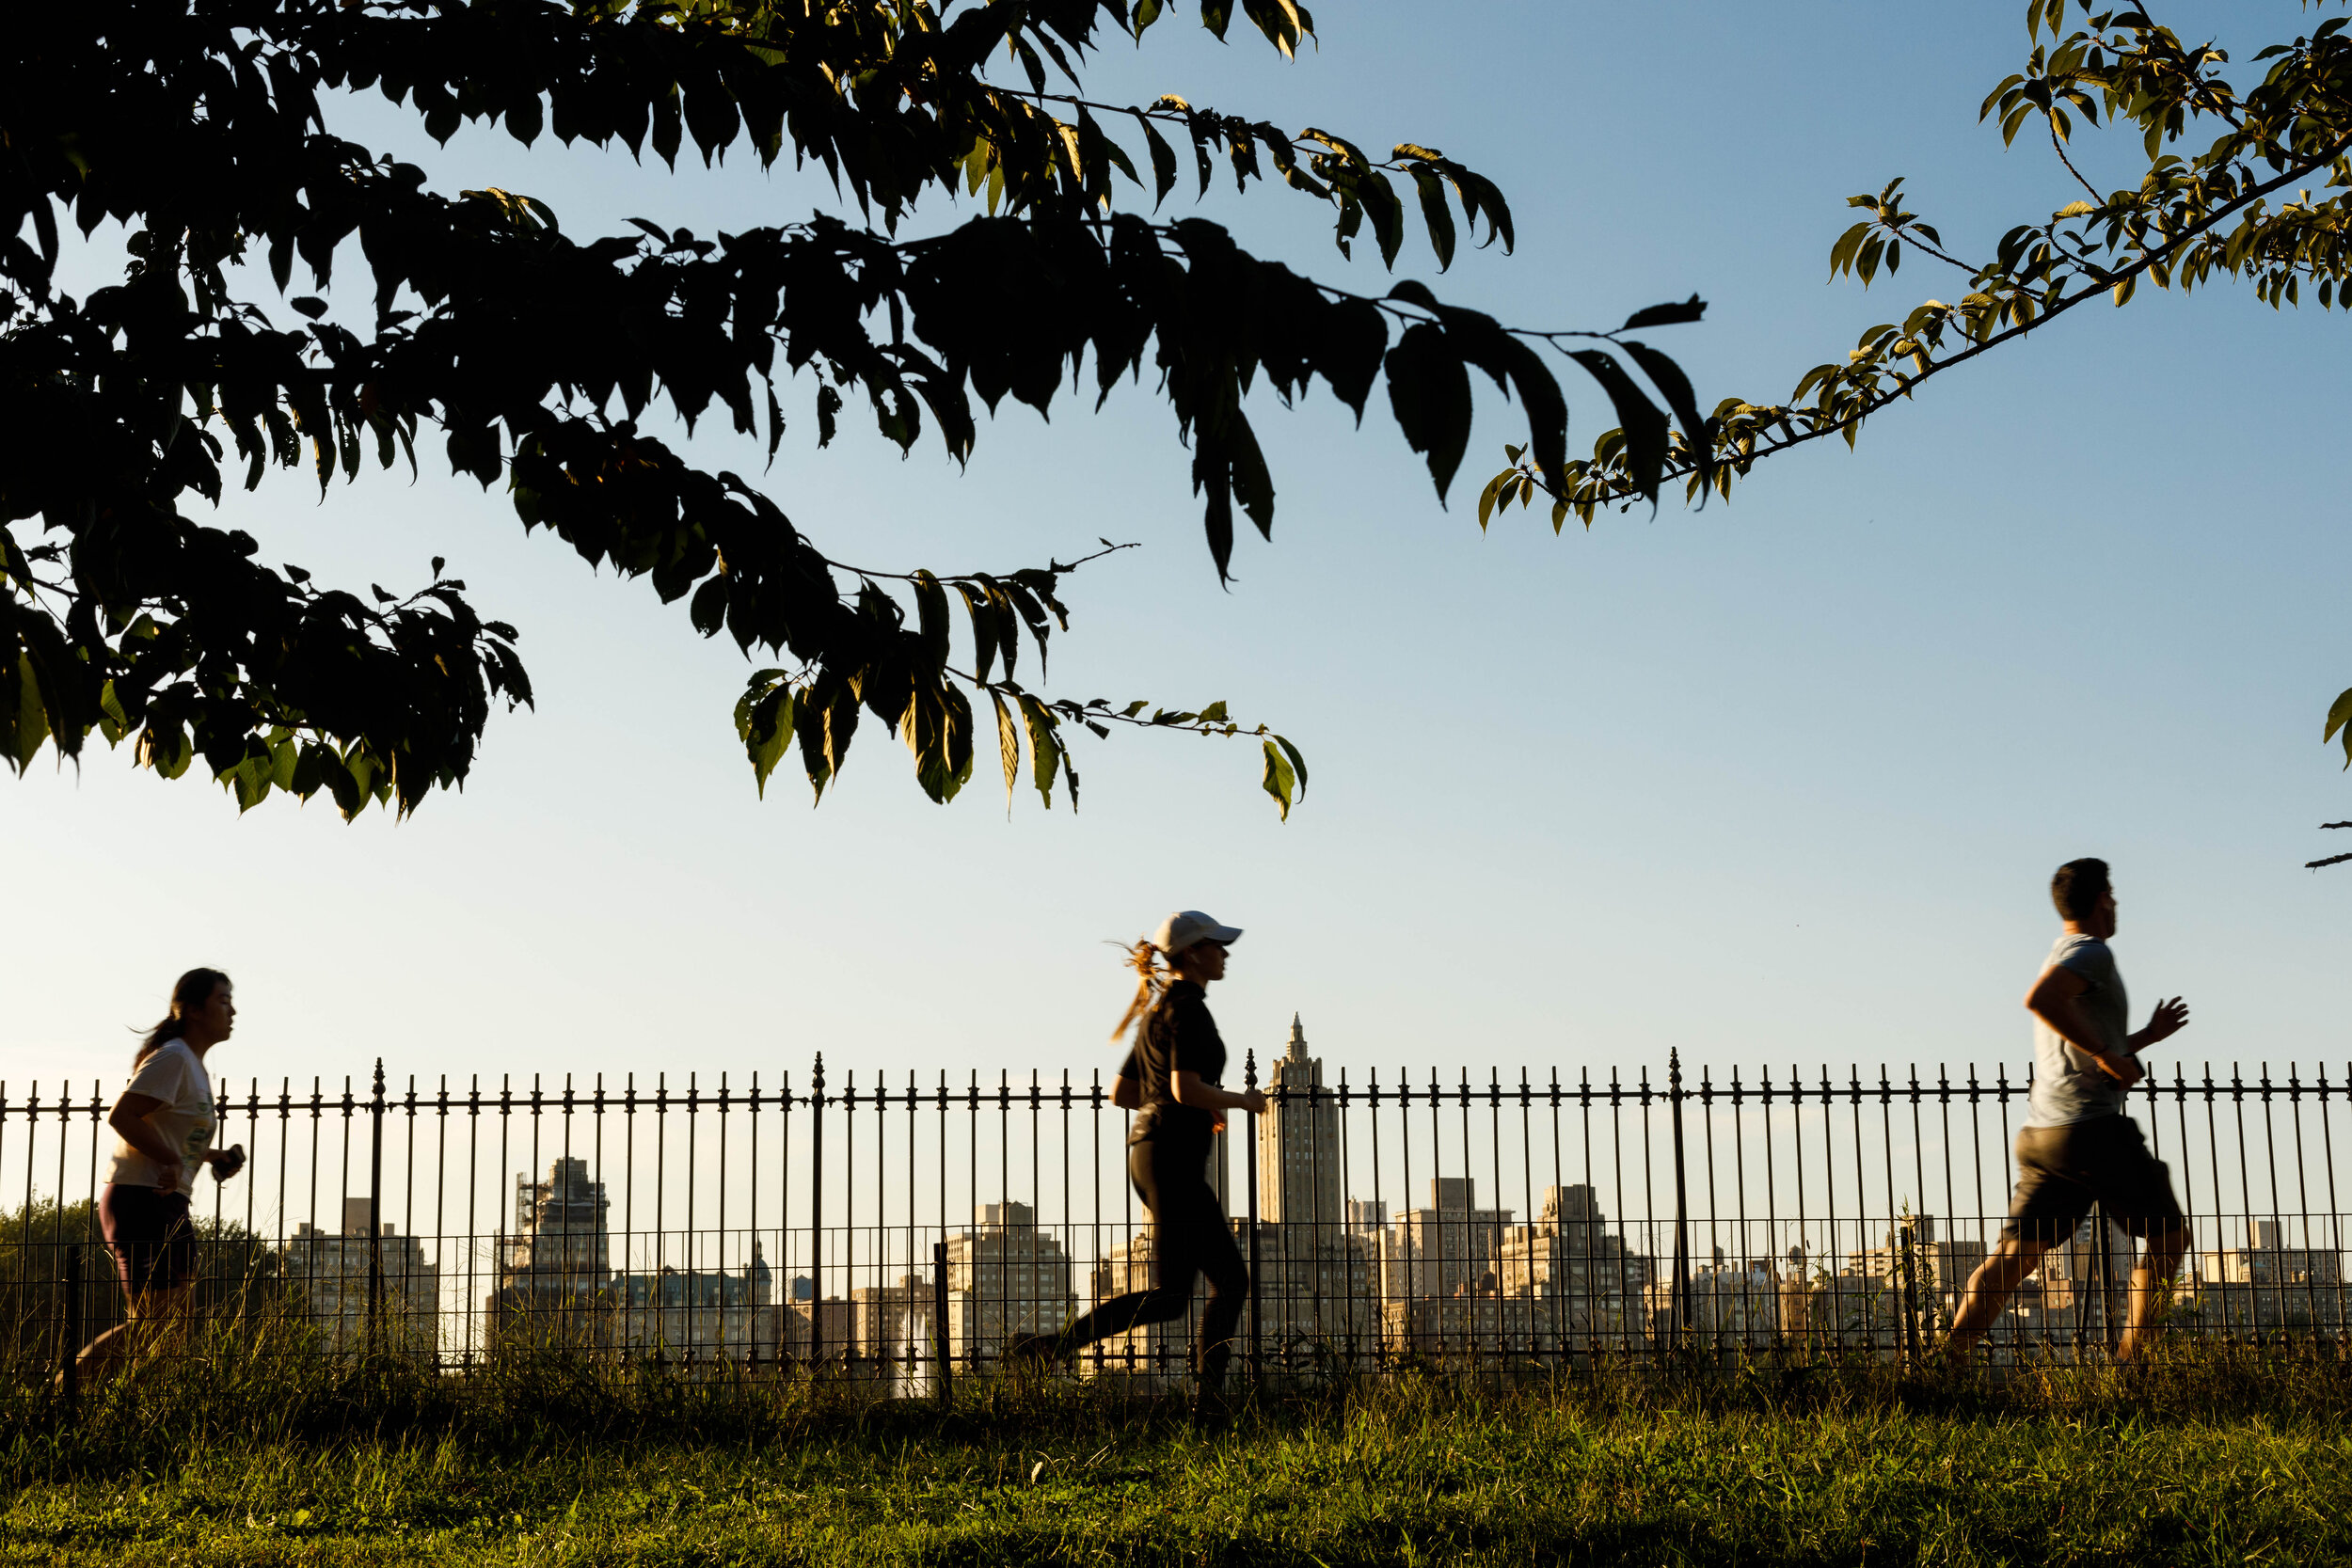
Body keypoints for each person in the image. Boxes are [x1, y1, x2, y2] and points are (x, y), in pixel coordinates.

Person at [1007, 911, 1267, 1405]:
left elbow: (1124, 1092)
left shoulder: (1157, 1013)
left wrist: (1193, 1100)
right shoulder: (1188, 1008)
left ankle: (1055, 1350)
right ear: (1193, 953)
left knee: (1199, 1289)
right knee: (1212, 1285)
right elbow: (1181, 1086)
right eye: (1217, 945)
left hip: (1149, 1154)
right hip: (1172, 1157)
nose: (1225, 953)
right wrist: (1238, 1100)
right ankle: (1203, 1400)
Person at [1943, 859, 2191, 1363]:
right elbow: (2042, 1001)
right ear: (2103, 898)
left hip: (2045, 1132)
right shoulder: (2091, 953)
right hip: (2092, 1129)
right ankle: (2131, 1365)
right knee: (2169, 1236)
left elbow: (2085, 1049)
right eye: (2113, 894)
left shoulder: (2063, 952)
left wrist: (2141, 1039)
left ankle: (1946, 1363)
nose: (2116, 903)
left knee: (2014, 1257)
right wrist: (2108, 1055)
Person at [68, 967, 247, 1386]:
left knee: (172, 1329)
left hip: (167, 1202)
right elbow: (122, 1115)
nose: (233, 1010)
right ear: (193, 1009)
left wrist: (212, 1155)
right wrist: (170, 1159)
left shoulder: (193, 1067)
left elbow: (171, 1132)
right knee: (153, 1324)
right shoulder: (173, 1058)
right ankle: (58, 1401)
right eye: (223, 1000)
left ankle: (141, 1413)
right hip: (140, 1199)